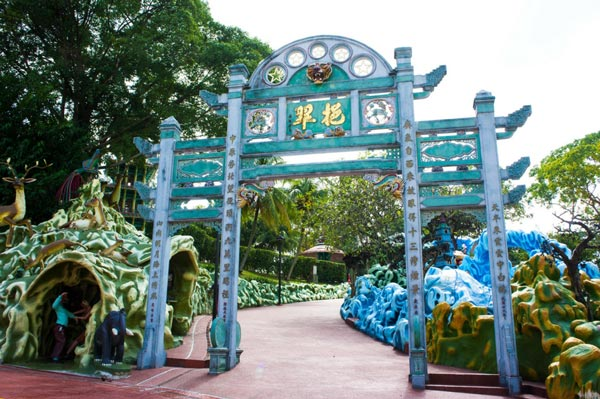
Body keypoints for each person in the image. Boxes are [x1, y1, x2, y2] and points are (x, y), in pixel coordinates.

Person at [50, 292, 79, 363]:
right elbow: (53, 306)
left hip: (61, 327)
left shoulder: (62, 309)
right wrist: (60, 296)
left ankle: (55, 355)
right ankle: (55, 356)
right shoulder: (58, 307)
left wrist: (75, 317)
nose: (65, 300)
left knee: (60, 341)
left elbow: (69, 314)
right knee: (61, 341)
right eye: (64, 299)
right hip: (59, 326)